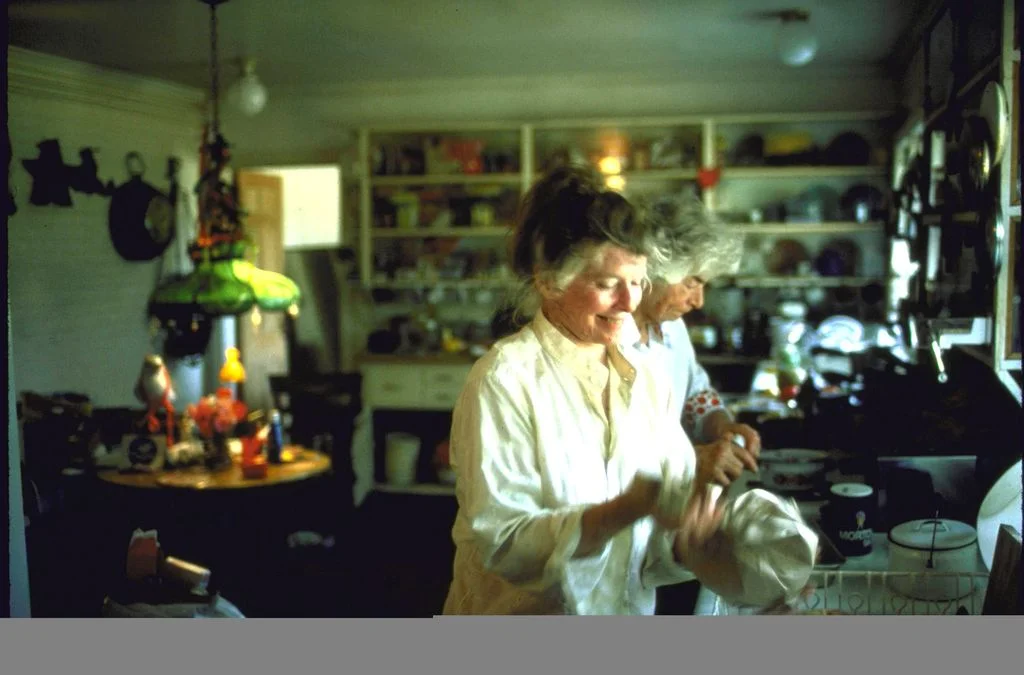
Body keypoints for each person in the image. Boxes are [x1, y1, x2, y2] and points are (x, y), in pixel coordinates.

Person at [442, 167, 816, 615]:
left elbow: (647, 553)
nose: (629, 303)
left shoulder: (643, 372)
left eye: (637, 282)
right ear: (547, 280)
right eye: (606, 284)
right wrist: (623, 509)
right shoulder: (505, 380)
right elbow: (503, 544)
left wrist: (704, 548)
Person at [630, 193, 760, 487]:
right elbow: (606, 454)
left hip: (671, 508)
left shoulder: (673, 328)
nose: (699, 301)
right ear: (654, 270)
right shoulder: (606, 340)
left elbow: (693, 393)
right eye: (692, 283)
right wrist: (691, 462)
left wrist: (722, 427)